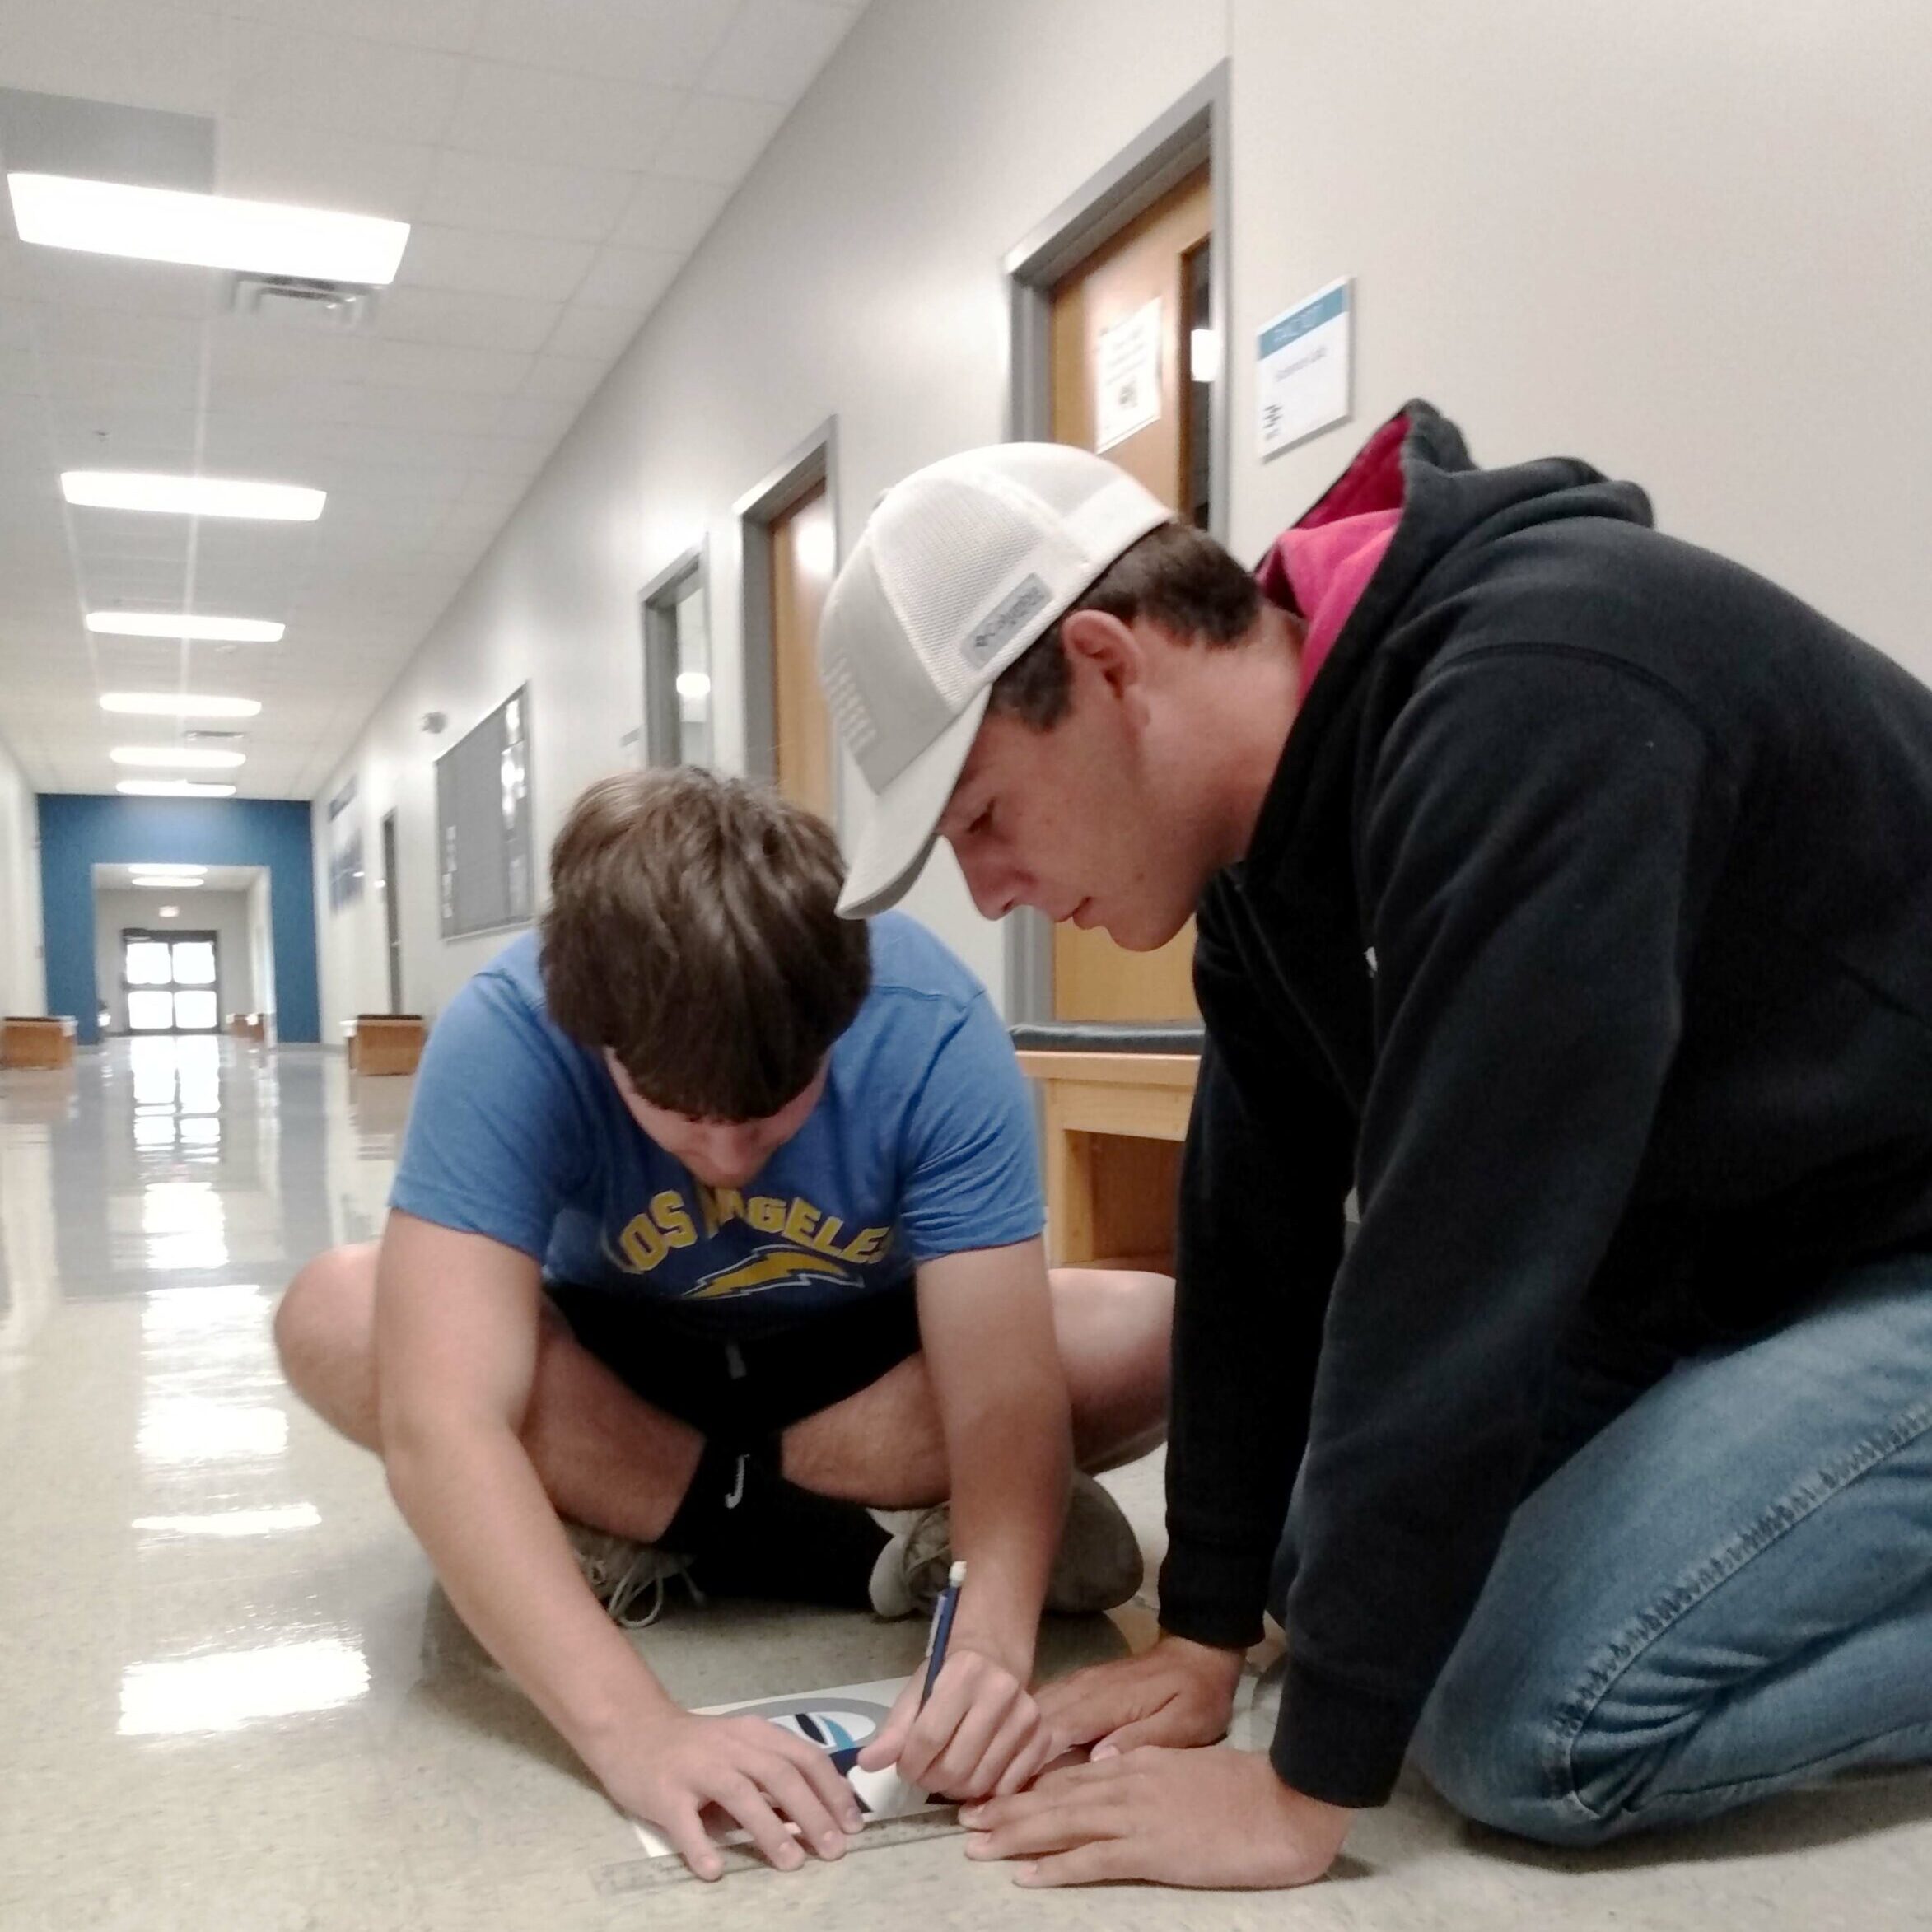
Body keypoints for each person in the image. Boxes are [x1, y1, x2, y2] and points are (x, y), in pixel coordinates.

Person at [814, 406, 1932, 1889]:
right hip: (1756, 1261)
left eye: (984, 817)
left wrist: (1300, 1792)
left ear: (1101, 665)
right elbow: (1253, 1232)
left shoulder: (1537, 695)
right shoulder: (1270, 859)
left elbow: (1459, 1255)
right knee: (1325, 1582)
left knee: (1517, 1723)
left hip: (1893, 1254)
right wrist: (1208, 1623)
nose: (993, 889)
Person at [273, 767, 1172, 1881]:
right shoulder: (510, 1028)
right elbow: (442, 1418)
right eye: (684, 1115)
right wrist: (631, 1728)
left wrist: (986, 1646)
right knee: (337, 1307)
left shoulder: (930, 1020)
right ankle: (862, 1541)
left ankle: (630, 1527)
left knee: (1147, 1325)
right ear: (594, 1036)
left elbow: (1001, 1387)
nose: (730, 1157)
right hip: (619, 1356)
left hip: (857, 1358)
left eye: (773, 1107)